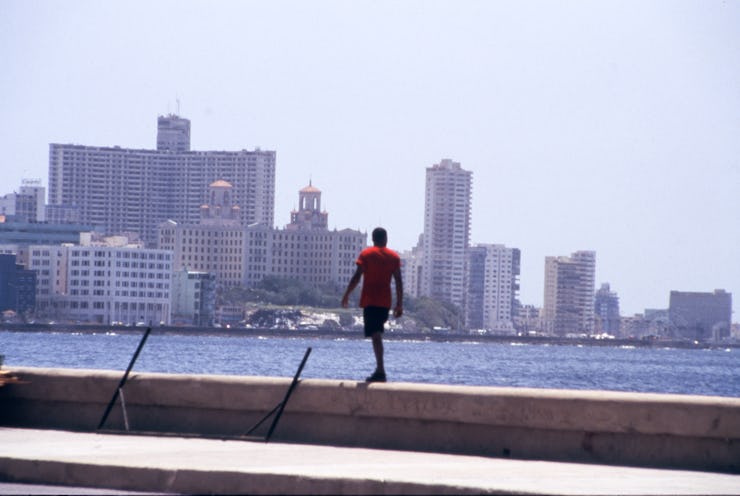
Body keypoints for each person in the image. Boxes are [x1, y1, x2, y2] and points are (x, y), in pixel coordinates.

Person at [341, 227, 403, 382]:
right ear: (385, 239)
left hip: (370, 301)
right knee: (376, 333)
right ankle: (379, 369)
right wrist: (399, 304)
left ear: (373, 239)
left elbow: (356, 277)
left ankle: (380, 370)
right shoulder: (393, 257)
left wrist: (346, 295)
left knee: (375, 334)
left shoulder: (366, 255)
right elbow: (399, 281)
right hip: (384, 303)